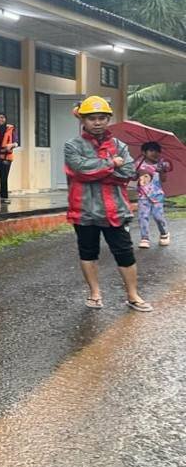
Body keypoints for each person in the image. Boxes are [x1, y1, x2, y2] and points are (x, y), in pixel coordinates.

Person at [65, 96, 152, 312]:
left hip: (115, 209)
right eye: (92, 118)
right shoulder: (72, 146)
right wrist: (112, 163)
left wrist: (99, 170)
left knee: (125, 252)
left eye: (102, 118)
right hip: (84, 209)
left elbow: (129, 172)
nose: (97, 122)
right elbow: (81, 170)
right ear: (82, 120)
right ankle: (94, 294)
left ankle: (133, 295)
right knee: (87, 252)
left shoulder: (119, 145)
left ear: (108, 119)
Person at [135, 141, 172, 249]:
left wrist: (162, 172)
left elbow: (163, 180)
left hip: (157, 195)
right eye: (151, 150)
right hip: (143, 195)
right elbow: (133, 178)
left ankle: (164, 233)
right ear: (143, 152)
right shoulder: (138, 164)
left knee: (158, 216)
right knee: (143, 216)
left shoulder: (161, 165)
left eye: (157, 151)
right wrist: (135, 172)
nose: (154, 153)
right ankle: (144, 238)